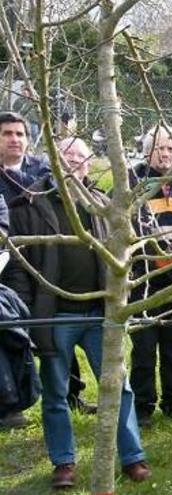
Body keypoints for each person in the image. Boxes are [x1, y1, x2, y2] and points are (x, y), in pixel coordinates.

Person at [2, 137, 151, 489]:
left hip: (101, 314)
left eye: (81, 158)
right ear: (53, 161)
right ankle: (64, 462)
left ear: (89, 164)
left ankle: (132, 457)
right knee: (56, 392)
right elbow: (19, 268)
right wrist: (29, 315)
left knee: (119, 386)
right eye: (66, 157)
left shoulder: (102, 204)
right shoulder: (28, 207)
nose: (73, 164)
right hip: (55, 316)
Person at [0, 111, 94, 419]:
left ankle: (71, 392)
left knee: (57, 329)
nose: (15, 139)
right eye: (7, 134)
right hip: (13, 258)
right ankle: (16, 397)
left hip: (48, 257)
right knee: (17, 332)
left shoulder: (41, 170)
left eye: (20, 134)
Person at [128, 124, 172, 428]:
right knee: (143, 350)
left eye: (171, 148)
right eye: (159, 148)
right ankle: (142, 407)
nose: (166, 153)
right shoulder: (134, 181)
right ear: (147, 151)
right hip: (144, 281)